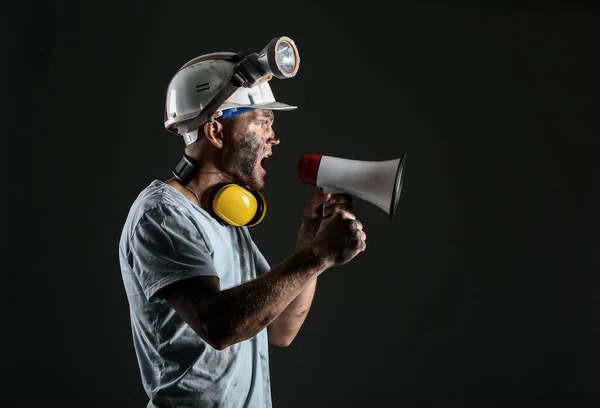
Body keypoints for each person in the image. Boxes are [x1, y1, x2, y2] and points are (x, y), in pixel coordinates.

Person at [118, 43, 367, 408]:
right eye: (263, 121)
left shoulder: (227, 217)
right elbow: (219, 326)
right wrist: (317, 255)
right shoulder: (161, 215)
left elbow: (281, 330)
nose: (273, 137)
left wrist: (308, 246)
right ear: (217, 131)